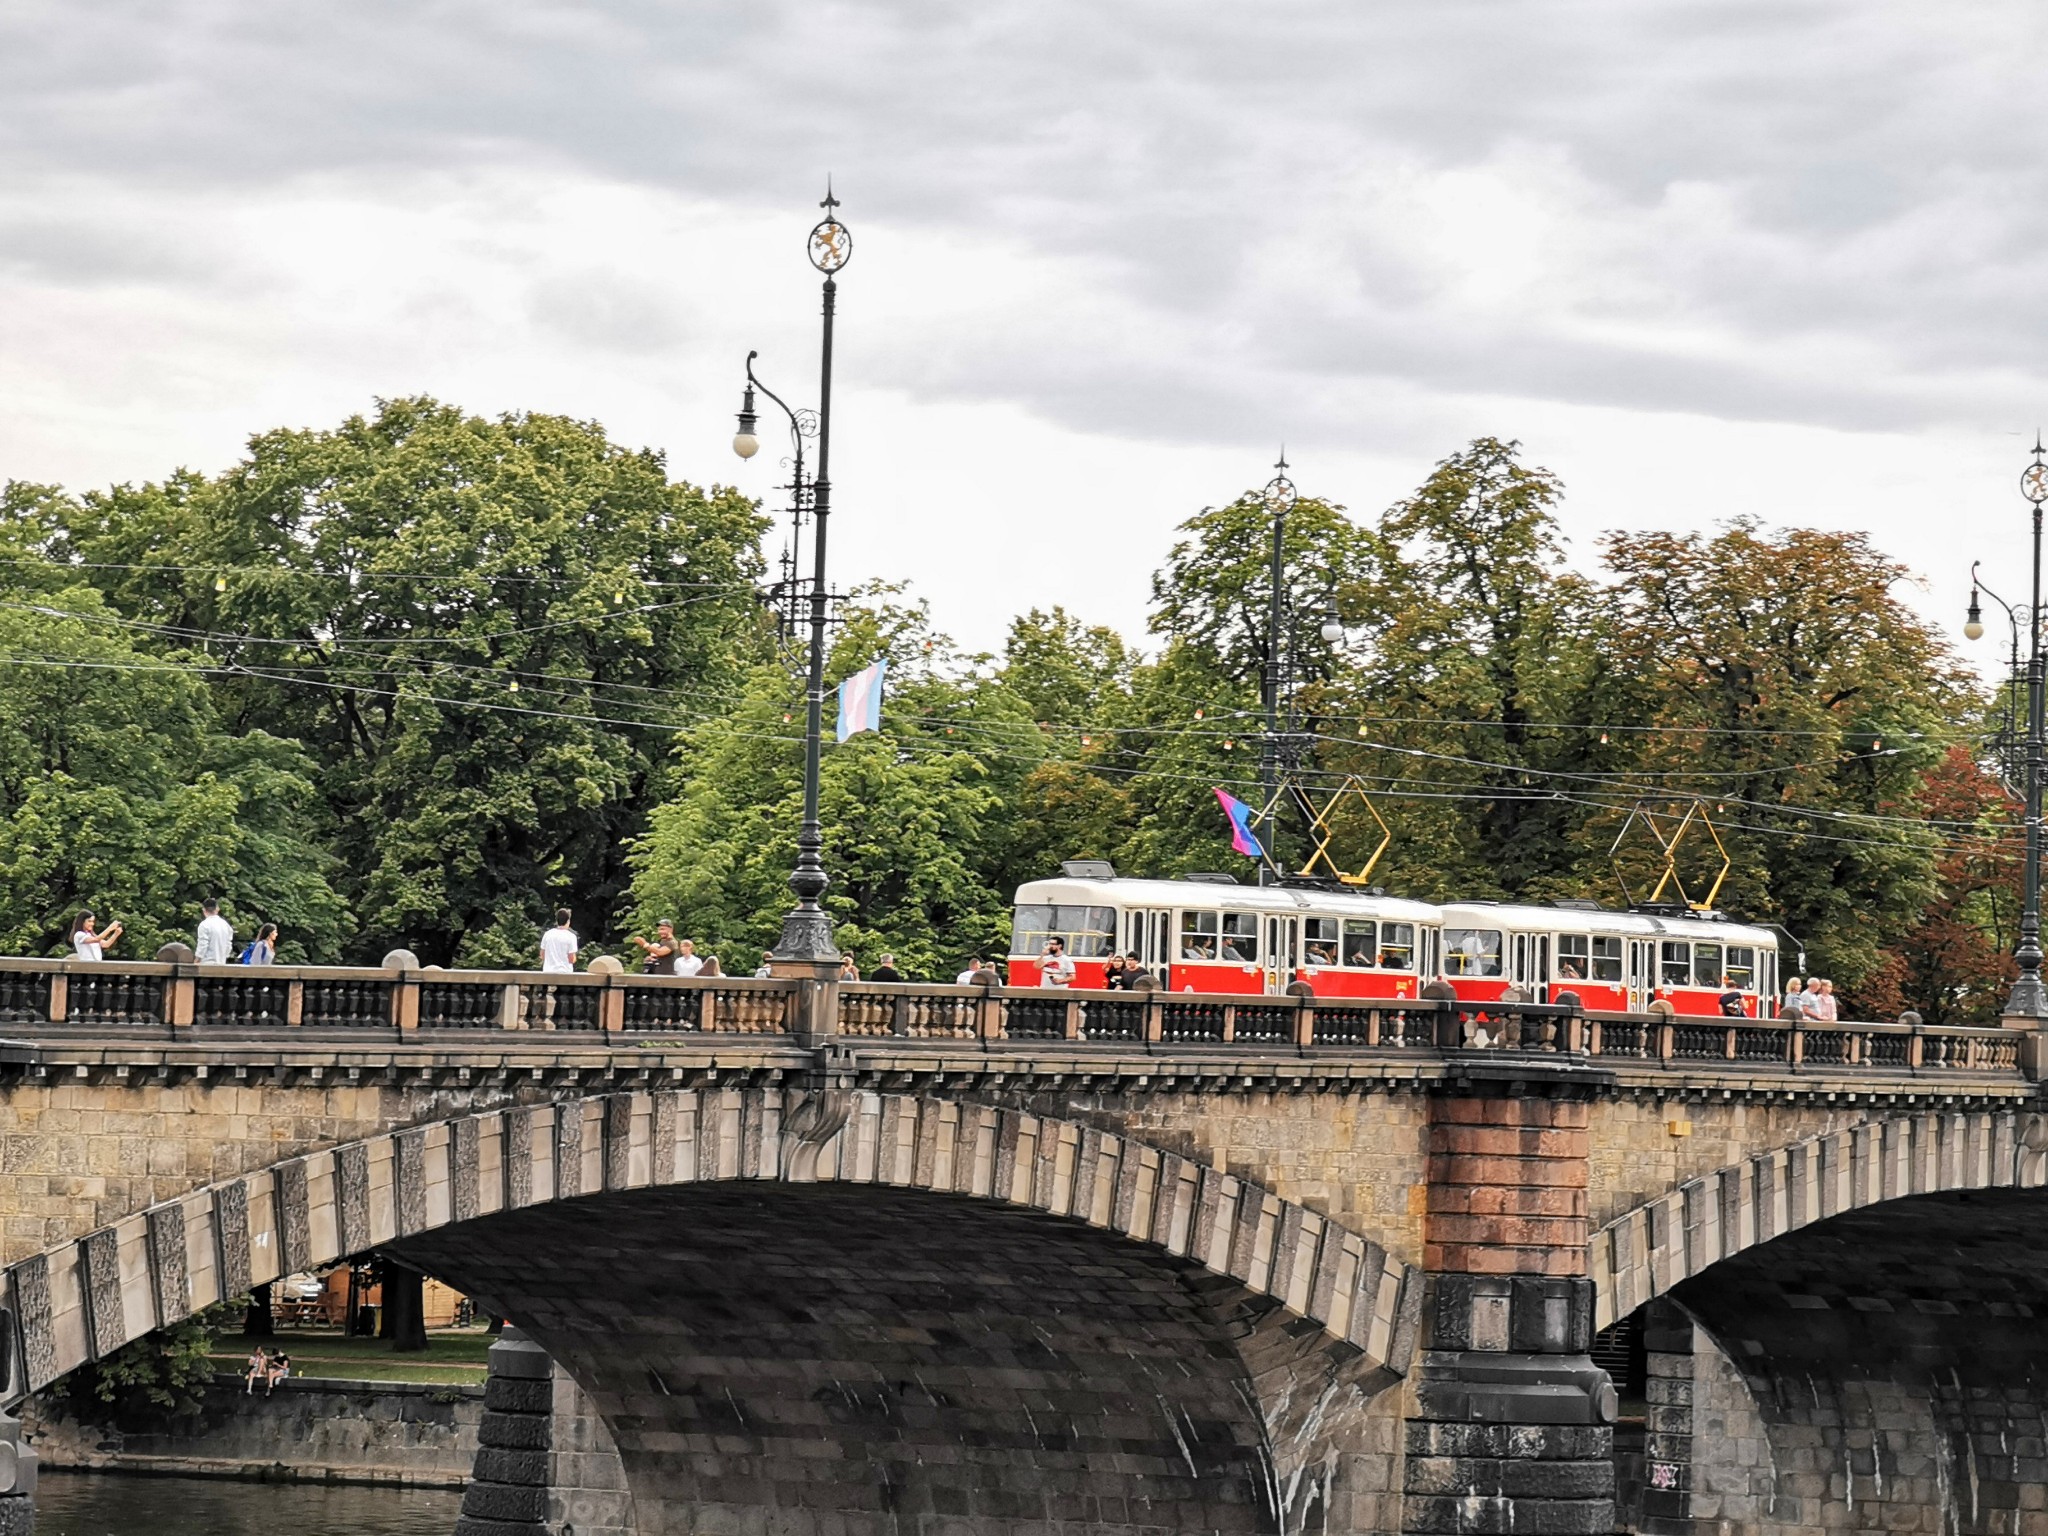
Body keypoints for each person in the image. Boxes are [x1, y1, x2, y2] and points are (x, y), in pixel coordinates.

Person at [195, 898, 235, 966]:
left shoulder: (204, 925)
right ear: (217, 909)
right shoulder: (225, 925)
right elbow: (228, 946)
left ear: (204, 910)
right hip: (221, 963)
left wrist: (196, 960)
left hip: (206, 964)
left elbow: (203, 946)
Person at [539, 909, 578, 974]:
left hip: (548, 972)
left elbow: (542, 955)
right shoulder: (571, 936)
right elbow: (571, 959)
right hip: (565, 973)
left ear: (557, 921)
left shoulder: (547, 934)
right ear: (568, 921)